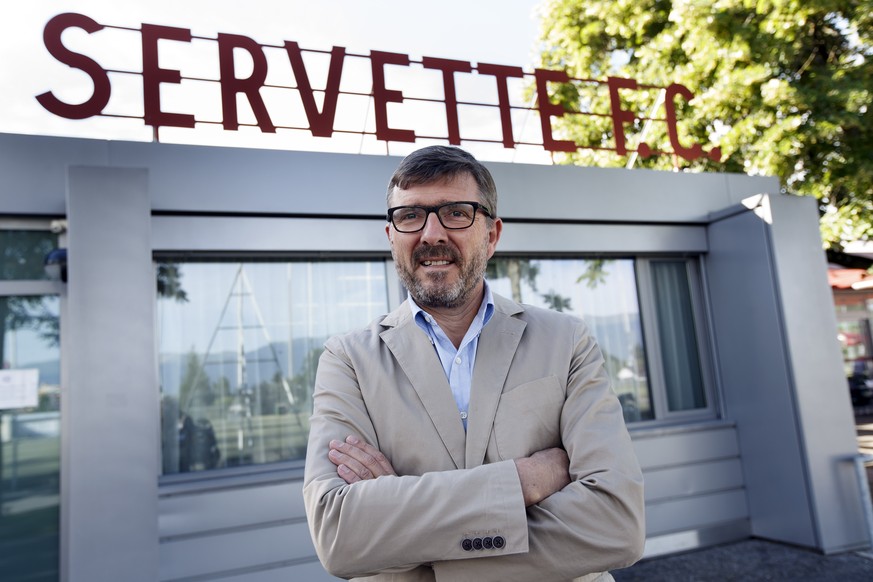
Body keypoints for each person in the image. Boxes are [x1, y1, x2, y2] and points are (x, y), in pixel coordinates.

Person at [303, 145, 645, 581]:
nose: (431, 235)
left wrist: (410, 537)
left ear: (493, 234)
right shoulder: (348, 359)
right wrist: (522, 482)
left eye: (457, 213)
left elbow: (617, 524)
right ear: (391, 236)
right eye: (410, 216)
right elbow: (340, 536)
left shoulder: (566, 340)